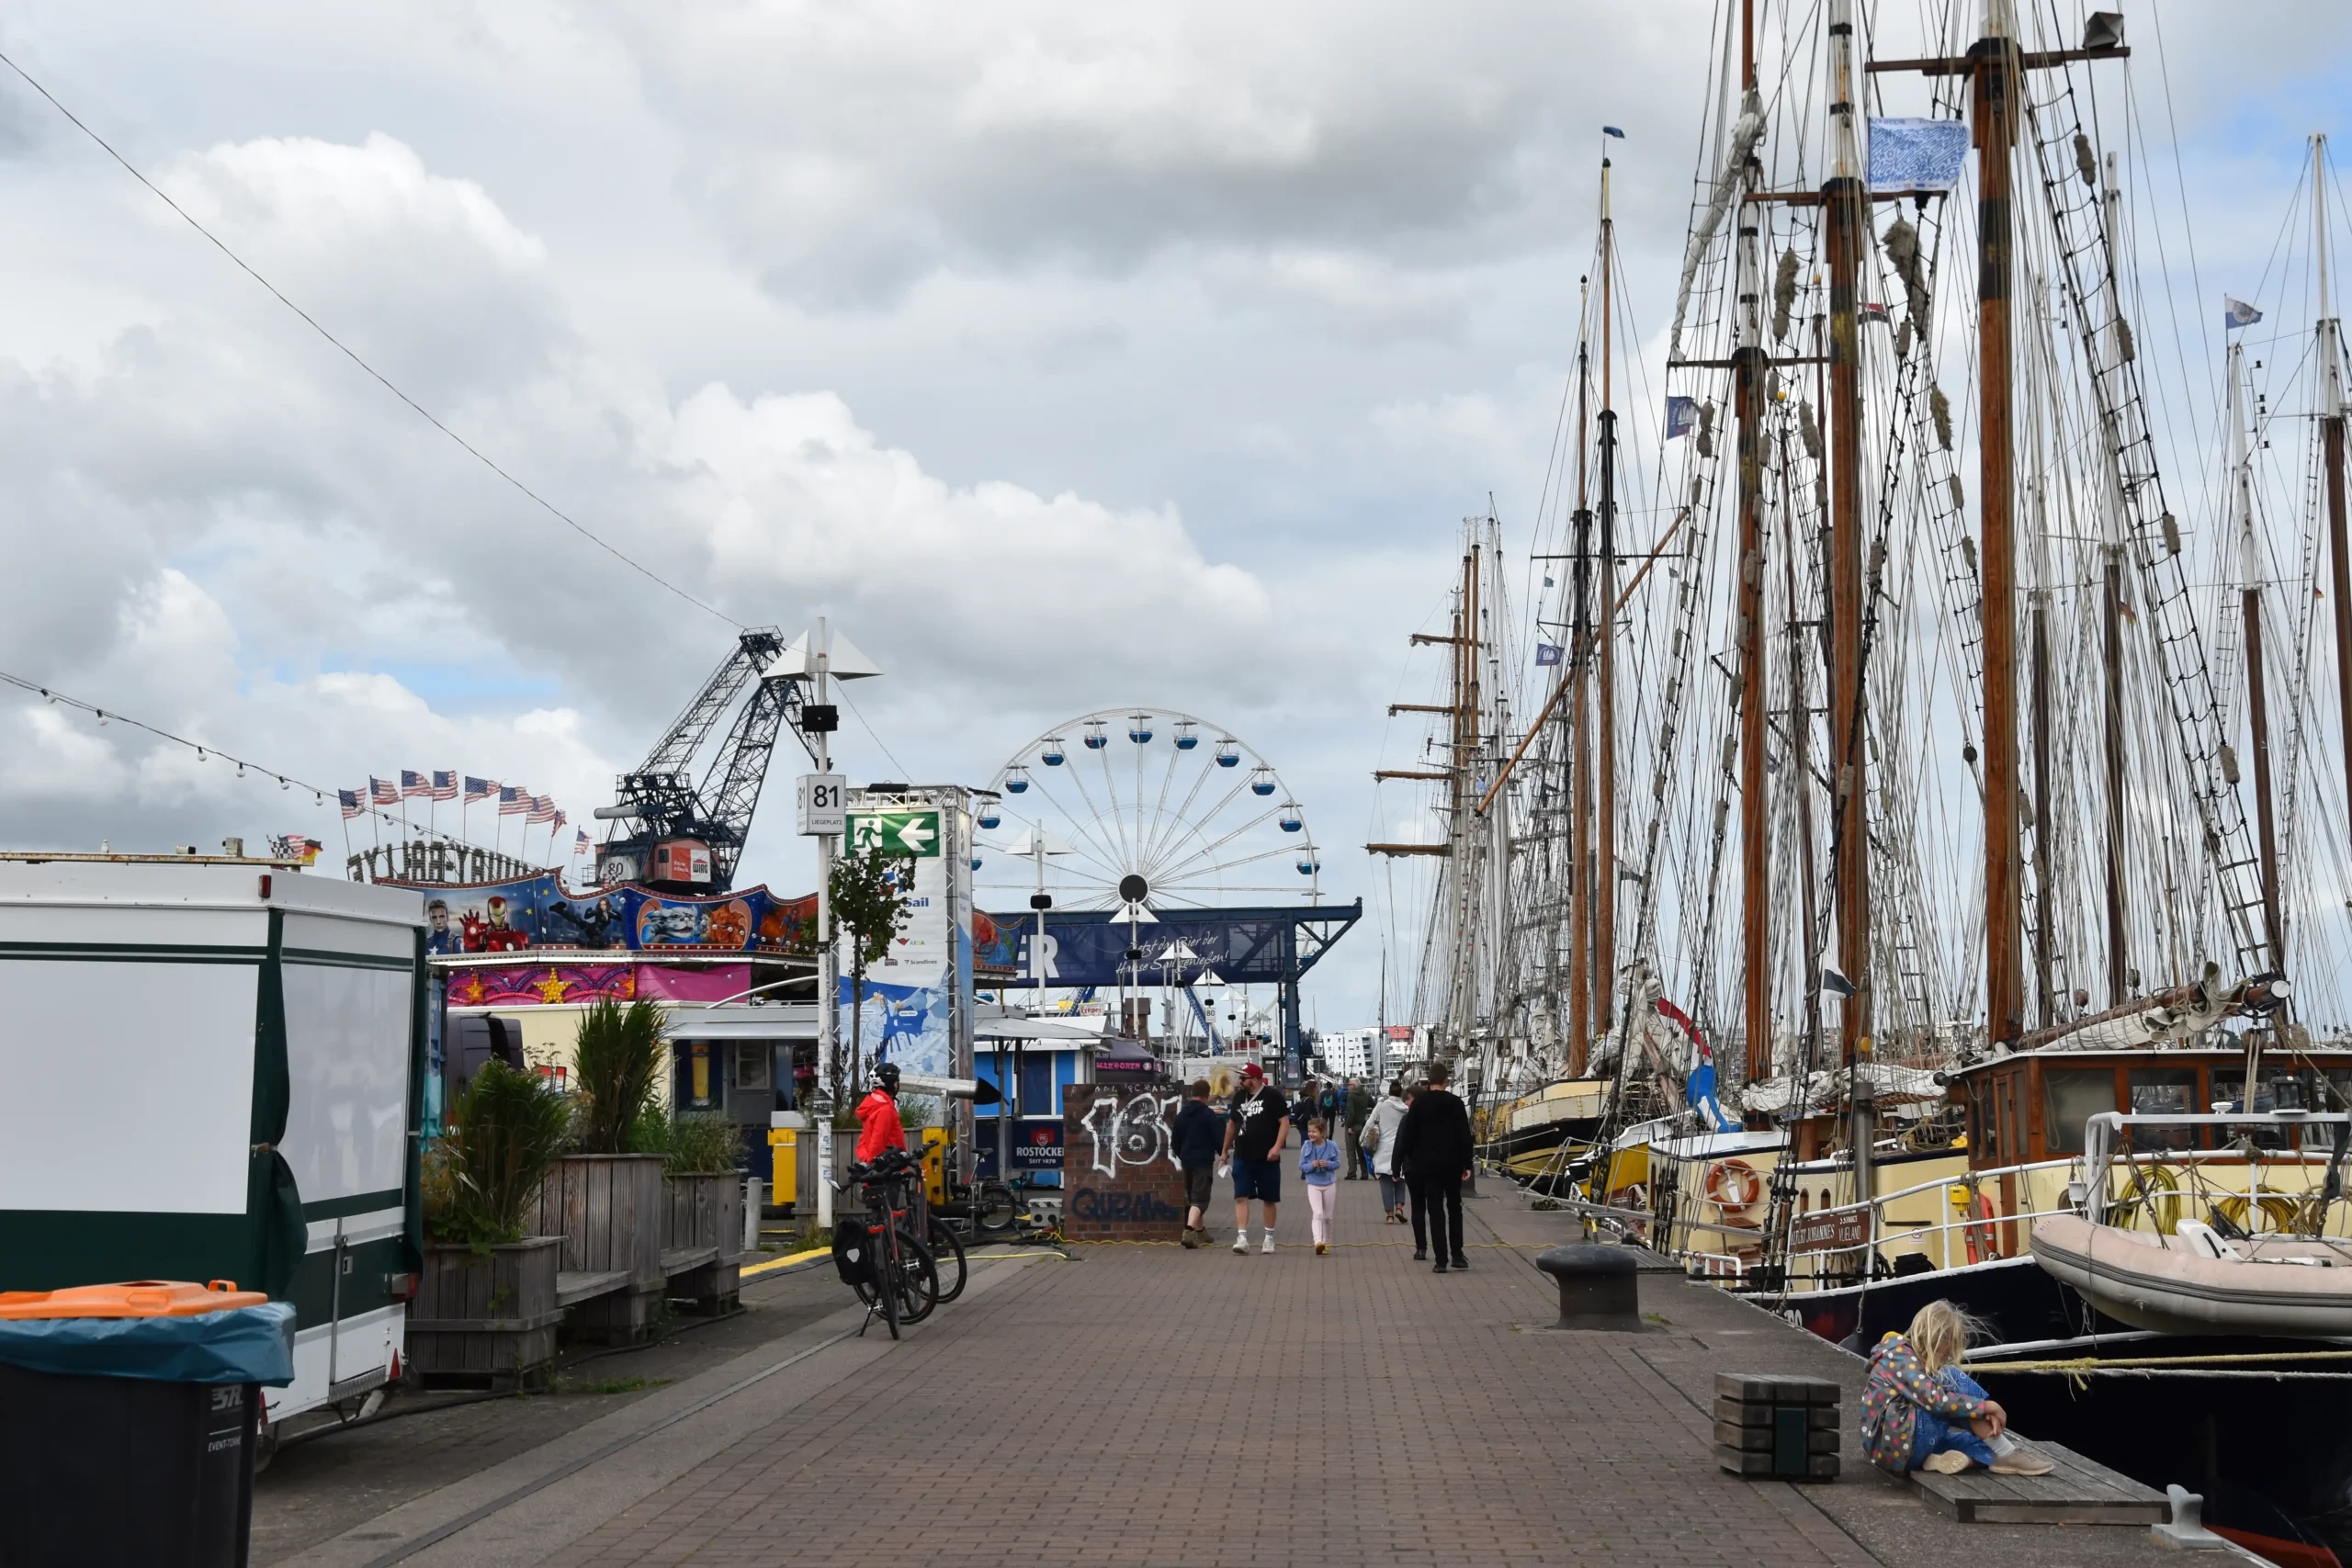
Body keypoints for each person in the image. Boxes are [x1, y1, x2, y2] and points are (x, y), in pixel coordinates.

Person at [1862, 1302, 2052, 1476]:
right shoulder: (1899, 1356)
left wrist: (1979, 1408)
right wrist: (1987, 1407)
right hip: (1896, 1447)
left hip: (1900, 1447)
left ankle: (1943, 1459)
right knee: (1951, 1380)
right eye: (1951, 1344)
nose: (1952, 1353)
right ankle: (2007, 1453)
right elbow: (1936, 1401)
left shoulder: (1903, 1355)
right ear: (1936, 1337)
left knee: (1974, 1442)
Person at [1391, 1061, 1473, 1272]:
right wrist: (1467, 1163)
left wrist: (1399, 1163)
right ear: (1447, 1080)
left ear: (1428, 1082)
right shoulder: (1456, 1103)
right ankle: (1457, 1255)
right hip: (1452, 1164)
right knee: (1455, 1208)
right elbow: (1465, 1136)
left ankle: (1440, 1261)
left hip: (1426, 1166)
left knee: (1435, 1211)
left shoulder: (1419, 1104)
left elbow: (1409, 1137)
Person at [1221, 1062, 1289, 1254]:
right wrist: (1225, 1150)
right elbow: (1232, 1124)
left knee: (1269, 1198)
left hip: (1267, 1156)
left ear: (1256, 1079)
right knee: (1241, 1196)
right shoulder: (1239, 1097)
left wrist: (1276, 1147)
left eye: (1244, 1078)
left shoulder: (1272, 1096)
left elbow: (1284, 1122)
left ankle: (1269, 1238)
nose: (1240, 1081)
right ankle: (1242, 1237)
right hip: (1243, 1155)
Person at [1173, 1078, 1224, 1248]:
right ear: (1207, 1095)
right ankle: (1189, 1231)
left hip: (1187, 1160)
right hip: (1202, 1161)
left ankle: (1201, 1232)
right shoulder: (1208, 1114)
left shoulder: (1181, 1114)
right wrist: (1222, 1153)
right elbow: (1217, 1138)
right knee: (1200, 1199)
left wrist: (1182, 1155)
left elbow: (1175, 1141)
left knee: (1192, 1196)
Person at [1363, 1079, 1409, 1223]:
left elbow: (1369, 1123)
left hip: (1383, 1149)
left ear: (1389, 1092)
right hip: (1402, 1149)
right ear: (1401, 1093)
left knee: (1385, 1182)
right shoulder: (1407, 1109)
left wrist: (1361, 1140)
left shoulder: (1381, 1106)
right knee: (1401, 1179)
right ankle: (1400, 1208)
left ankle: (1389, 1216)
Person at [1298, 1118, 1342, 1255]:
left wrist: (1327, 1164)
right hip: (1313, 1184)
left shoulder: (1332, 1145)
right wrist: (1312, 1165)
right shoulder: (1306, 1145)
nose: (1311, 1134)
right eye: (1309, 1131)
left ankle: (1326, 1243)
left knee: (1328, 1217)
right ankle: (1318, 1242)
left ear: (1322, 1132)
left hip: (1329, 1184)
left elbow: (1337, 1163)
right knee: (1318, 1213)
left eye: (1314, 1131)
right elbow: (1302, 1166)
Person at [854, 1061, 908, 1163]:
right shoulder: (885, 1110)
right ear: (891, 1084)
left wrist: (867, 1162)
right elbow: (878, 1142)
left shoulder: (872, 1105)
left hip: (875, 1170)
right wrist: (873, 1164)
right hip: (888, 1169)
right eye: (896, 1082)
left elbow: (863, 1141)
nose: (897, 1085)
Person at [1343, 1077, 1374, 1179]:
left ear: (1354, 1086)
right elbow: (1374, 1106)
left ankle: (1352, 1173)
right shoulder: (1366, 1094)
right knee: (1361, 1150)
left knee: (1351, 1150)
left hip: (1352, 1126)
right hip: (1362, 1126)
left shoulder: (1351, 1096)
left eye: (1349, 1085)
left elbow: (1351, 1113)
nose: (1347, 1087)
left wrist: (1348, 1125)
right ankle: (1364, 1173)